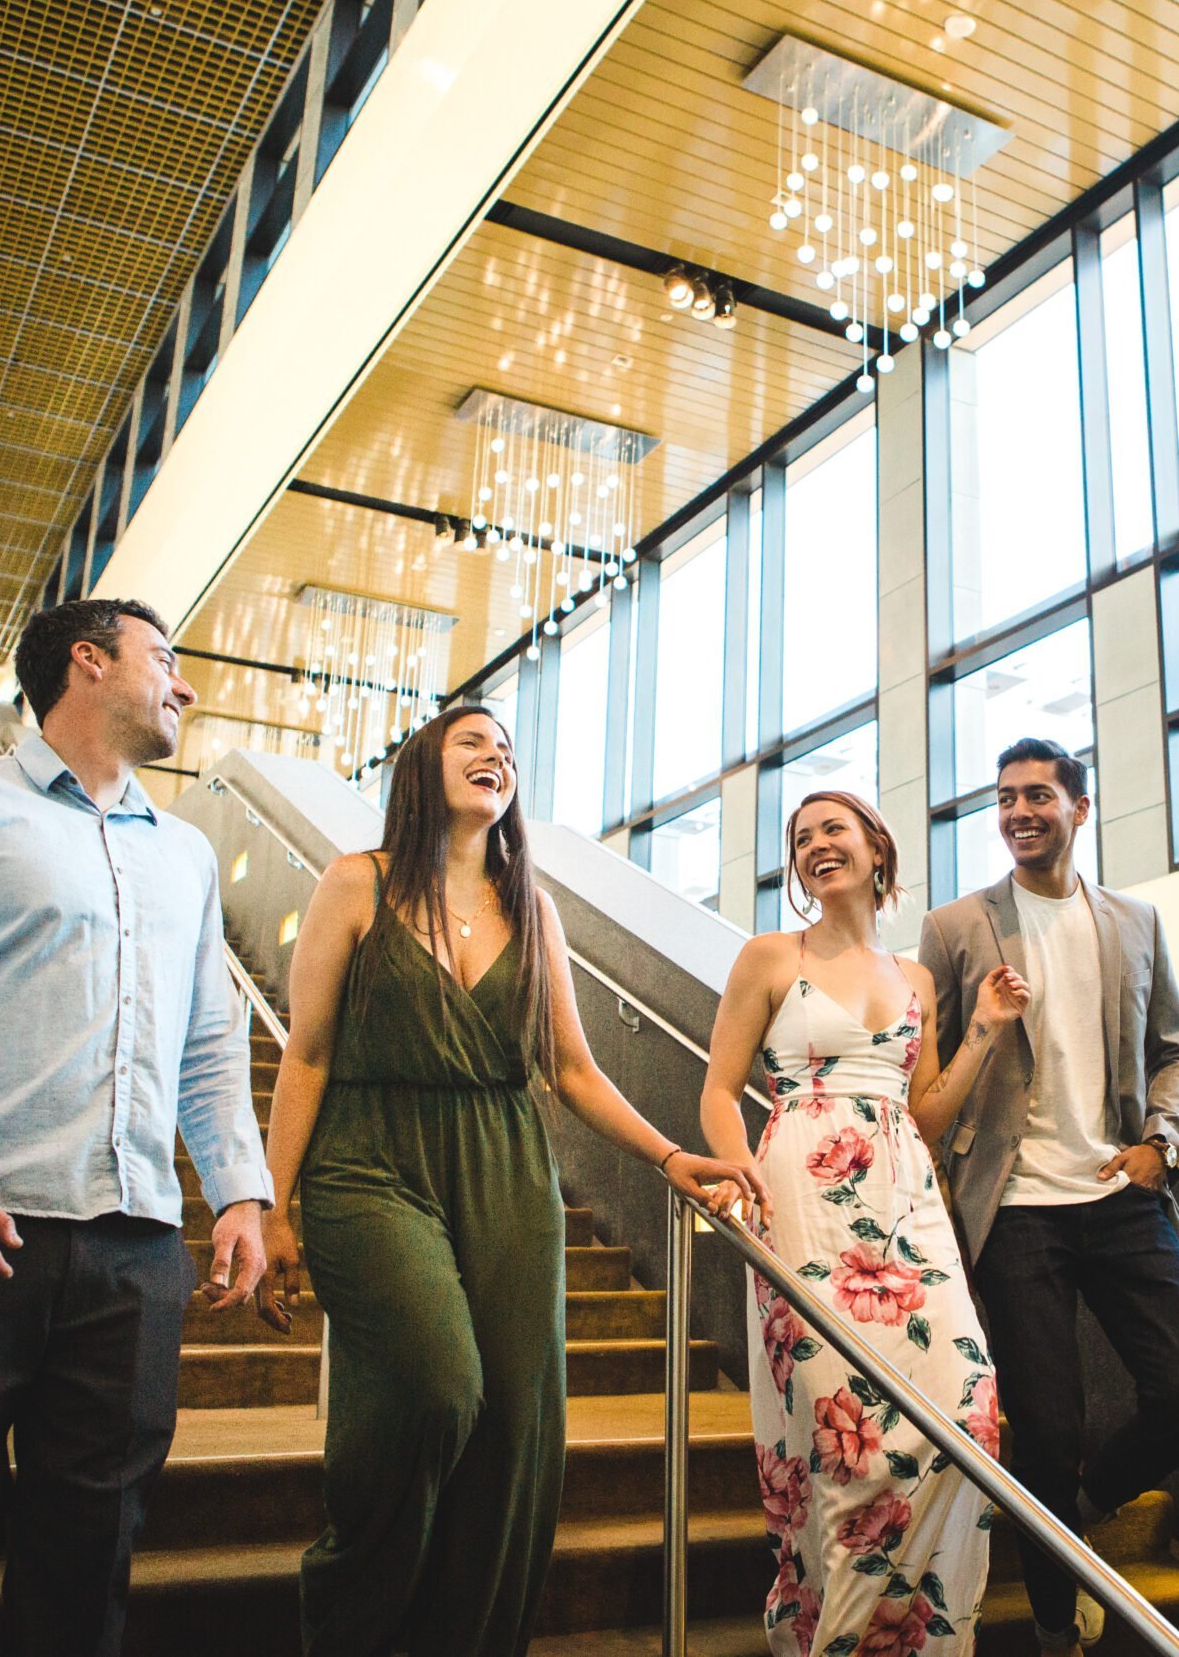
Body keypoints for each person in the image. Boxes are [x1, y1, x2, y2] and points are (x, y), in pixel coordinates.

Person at [256, 702, 760, 1656]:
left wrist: (668, 1155)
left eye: (508, 752)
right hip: (369, 1156)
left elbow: (572, 1069)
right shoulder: (353, 883)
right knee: (437, 1383)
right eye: (472, 744)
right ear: (422, 769)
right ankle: (357, 1611)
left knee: (518, 1432)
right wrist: (273, 1202)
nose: (496, 759)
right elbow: (310, 1053)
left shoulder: (530, 904)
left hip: (504, 1166)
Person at [0, 598, 272, 1655]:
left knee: (90, 1554)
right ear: (86, 661)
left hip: (132, 1254)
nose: (186, 685)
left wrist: (242, 1194)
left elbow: (209, 1042)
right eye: (164, 660)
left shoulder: (186, 856)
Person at [696, 791, 1025, 1657]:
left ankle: (917, 1639)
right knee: (851, 1440)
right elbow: (717, 1093)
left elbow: (925, 1108)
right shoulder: (770, 956)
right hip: (799, 1191)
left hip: (906, 1194)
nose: (814, 846)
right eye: (801, 838)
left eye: (831, 830)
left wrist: (985, 1031)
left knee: (970, 1406)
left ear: (878, 848)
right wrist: (737, 1172)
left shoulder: (915, 978)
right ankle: (833, 1635)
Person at [912, 737, 1179, 1654]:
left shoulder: (1135, 921)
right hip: (1014, 1210)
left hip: (1119, 1195)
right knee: (1046, 1432)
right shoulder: (956, 926)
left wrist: (1161, 1147)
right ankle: (1056, 1628)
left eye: (1038, 795)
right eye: (1005, 797)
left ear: (1079, 809)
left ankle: (1073, 1519)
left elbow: (1176, 1048)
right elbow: (931, 1072)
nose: (1018, 812)